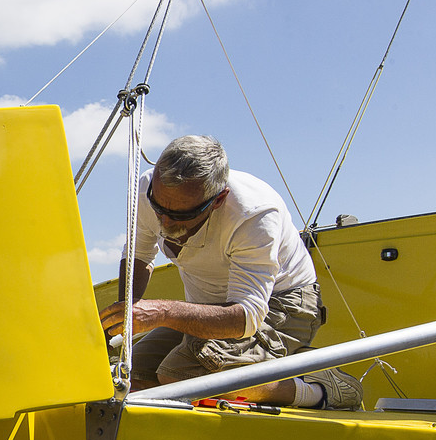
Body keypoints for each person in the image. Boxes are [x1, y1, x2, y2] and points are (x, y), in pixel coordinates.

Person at [99, 135, 362, 409]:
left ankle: (320, 387)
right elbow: (139, 254)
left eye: (181, 215)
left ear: (218, 199)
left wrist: (163, 313)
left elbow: (246, 317)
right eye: (159, 208)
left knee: (183, 376)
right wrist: (124, 313)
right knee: (131, 375)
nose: (165, 222)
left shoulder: (255, 214)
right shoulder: (149, 188)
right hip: (209, 309)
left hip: (281, 304)